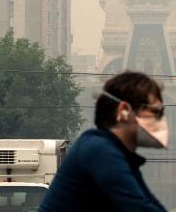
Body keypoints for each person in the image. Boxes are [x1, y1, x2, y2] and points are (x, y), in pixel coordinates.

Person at [38, 71, 168, 212]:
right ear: (124, 111)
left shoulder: (116, 154)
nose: (161, 120)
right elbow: (139, 208)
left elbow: (150, 205)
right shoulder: (99, 150)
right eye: (156, 112)